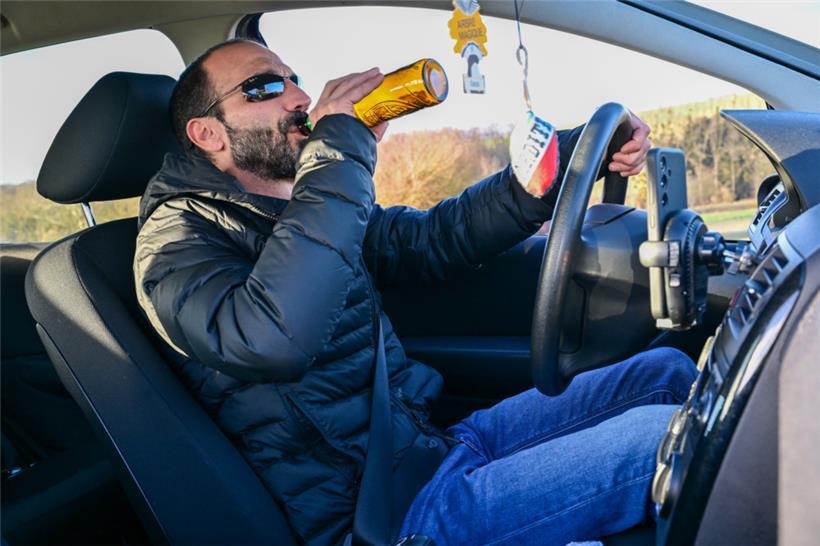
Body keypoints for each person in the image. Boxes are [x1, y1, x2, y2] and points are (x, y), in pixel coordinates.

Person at [134, 38, 697, 545]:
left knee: (666, 373)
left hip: (432, 448)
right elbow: (271, 338)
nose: (298, 96)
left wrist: (570, 159)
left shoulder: (299, 209)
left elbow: (433, 240)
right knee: (670, 442)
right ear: (207, 134)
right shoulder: (172, 243)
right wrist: (340, 153)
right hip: (384, 515)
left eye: (293, 77)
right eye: (264, 86)